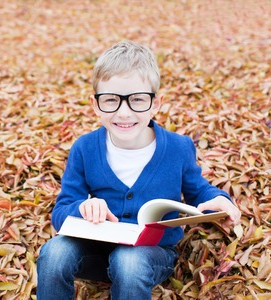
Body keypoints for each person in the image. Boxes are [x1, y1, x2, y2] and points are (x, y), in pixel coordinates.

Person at [36, 40, 241, 300]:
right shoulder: (85, 148)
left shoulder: (178, 147)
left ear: (156, 103)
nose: (124, 112)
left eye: (137, 100)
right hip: (95, 250)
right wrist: (82, 208)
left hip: (151, 255)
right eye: (111, 100)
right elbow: (61, 211)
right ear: (95, 104)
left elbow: (198, 190)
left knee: (128, 261)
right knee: (54, 253)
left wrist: (219, 200)